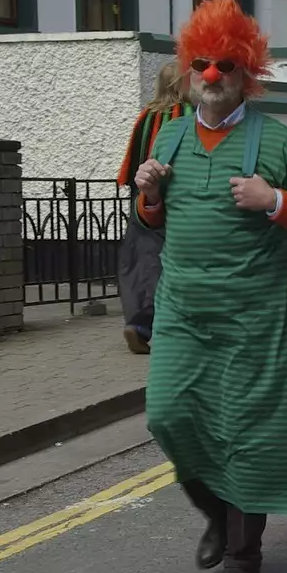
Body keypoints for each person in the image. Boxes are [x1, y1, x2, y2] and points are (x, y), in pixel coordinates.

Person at [133, 0, 287, 573]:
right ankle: (215, 514)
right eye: (202, 64)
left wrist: (274, 202)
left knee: (250, 436)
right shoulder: (169, 139)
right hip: (181, 317)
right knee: (168, 415)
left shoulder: (276, 141)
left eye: (225, 65)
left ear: (246, 72)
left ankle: (243, 556)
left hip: (254, 321)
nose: (212, 77)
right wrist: (148, 197)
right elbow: (152, 225)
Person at [116, 61, 188, 355]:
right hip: (175, 199)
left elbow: (132, 161)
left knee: (142, 264)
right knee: (175, 263)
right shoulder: (188, 117)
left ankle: (139, 323)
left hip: (142, 199)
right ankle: (176, 324)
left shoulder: (146, 116)